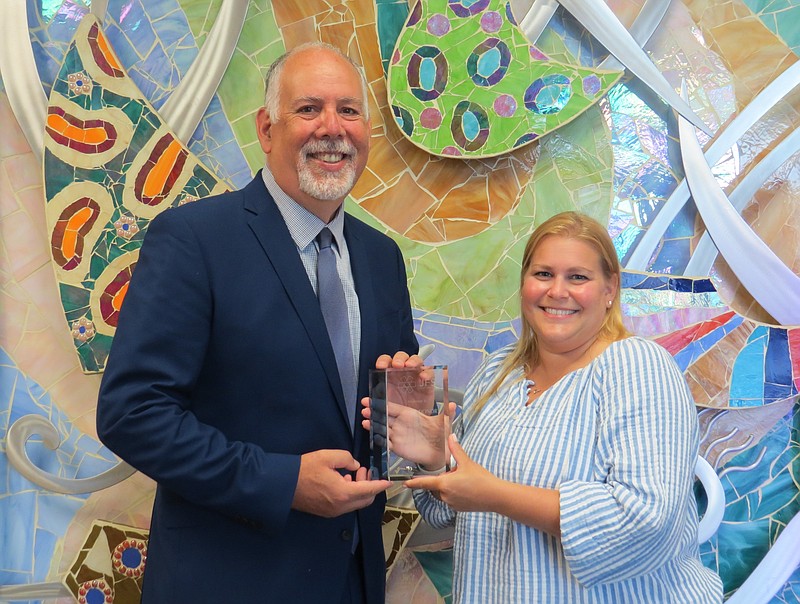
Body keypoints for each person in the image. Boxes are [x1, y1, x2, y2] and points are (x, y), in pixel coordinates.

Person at [96, 42, 419, 603]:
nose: (332, 128)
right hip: (228, 582)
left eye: (348, 110)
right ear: (267, 129)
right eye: (309, 108)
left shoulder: (382, 257)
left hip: (350, 581)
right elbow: (131, 414)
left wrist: (417, 418)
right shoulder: (194, 240)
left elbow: (384, 412)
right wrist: (283, 483)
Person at [365, 211, 723, 602]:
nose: (557, 291)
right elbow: (443, 513)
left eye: (578, 277)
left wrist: (493, 494)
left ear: (610, 290)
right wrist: (436, 457)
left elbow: (644, 522)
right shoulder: (498, 373)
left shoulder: (638, 367)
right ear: (523, 286)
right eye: (543, 274)